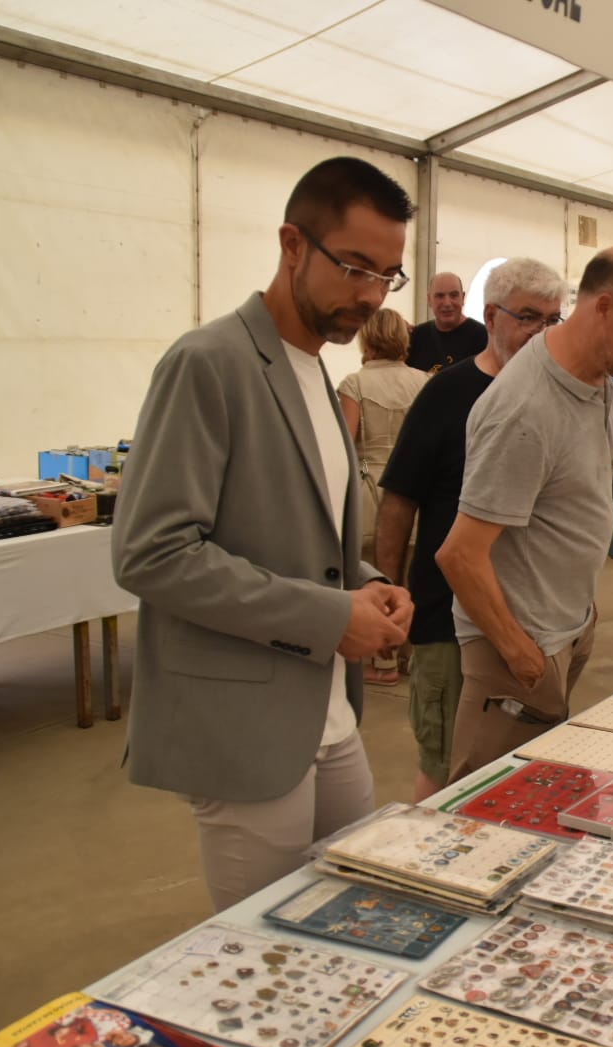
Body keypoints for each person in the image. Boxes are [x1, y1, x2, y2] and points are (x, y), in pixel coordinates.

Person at [112, 156, 416, 911]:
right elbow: (151, 553)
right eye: (353, 267)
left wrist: (370, 587)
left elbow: (310, 543)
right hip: (246, 726)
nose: (371, 295)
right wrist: (327, 617)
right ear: (291, 244)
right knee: (267, 959)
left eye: (388, 275)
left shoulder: (316, 371)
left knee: (351, 916)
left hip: (329, 712)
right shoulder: (208, 364)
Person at [436, 245, 613, 782]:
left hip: (562, 630)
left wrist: (579, 623)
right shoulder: (525, 409)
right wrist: (524, 657)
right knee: (483, 818)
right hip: (518, 654)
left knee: (537, 800)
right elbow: (460, 555)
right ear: (605, 308)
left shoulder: (597, 378)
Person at [376, 257, 564, 801]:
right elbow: (399, 500)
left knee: (513, 768)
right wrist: (390, 589)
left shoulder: (560, 393)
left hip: (534, 618)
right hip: (447, 618)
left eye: (553, 320)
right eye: (528, 316)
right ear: (492, 317)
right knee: (445, 766)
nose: (540, 332)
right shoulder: (447, 393)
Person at [337, 308, 427, 685]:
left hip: (371, 486)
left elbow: (344, 442)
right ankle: (409, 657)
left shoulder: (354, 384)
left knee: (376, 575)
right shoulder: (424, 382)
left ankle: (381, 662)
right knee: (410, 573)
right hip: (416, 487)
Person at [407, 271, 487, 373]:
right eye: (440, 296)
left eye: (453, 295)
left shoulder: (484, 338)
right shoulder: (416, 337)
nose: (447, 303)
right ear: (429, 300)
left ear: (462, 298)